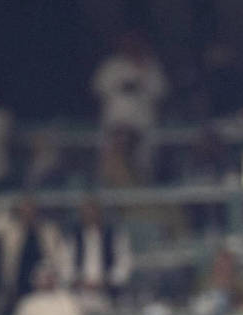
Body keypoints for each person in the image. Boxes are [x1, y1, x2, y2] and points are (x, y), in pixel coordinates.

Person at [91, 32, 166, 182]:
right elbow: (98, 87)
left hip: (142, 124)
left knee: (142, 164)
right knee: (111, 163)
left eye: (135, 42)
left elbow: (161, 90)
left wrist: (141, 81)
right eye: (128, 42)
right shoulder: (112, 65)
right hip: (116, 122)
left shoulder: (151, 65)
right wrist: (122, 86)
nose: (131, 46)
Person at [64, 199, 132, 299]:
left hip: (108, 291)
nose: (90, 216)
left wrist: (108, 281)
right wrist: (77, 280)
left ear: (100, 214)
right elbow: (66, 261)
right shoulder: (74, 236)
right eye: (86, 213)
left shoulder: (113, 235)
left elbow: (124, 262)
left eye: (93, 212)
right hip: (79, 291)